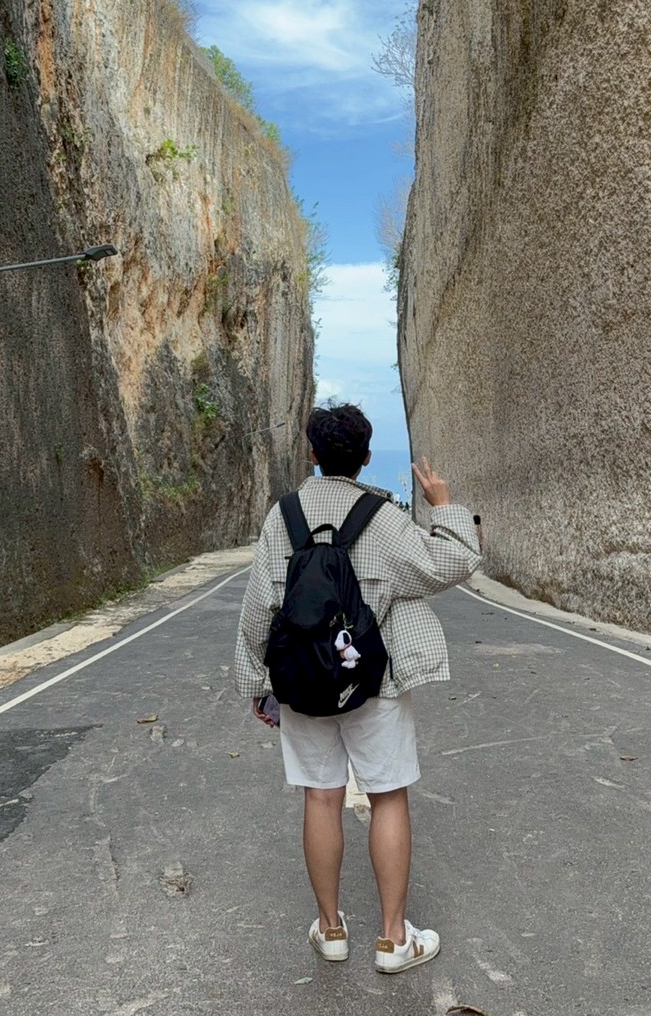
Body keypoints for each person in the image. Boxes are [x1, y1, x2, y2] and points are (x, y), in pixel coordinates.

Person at [234, 403, 482, 973]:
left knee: (320, 796)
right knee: (388, 794)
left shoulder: (284, 517)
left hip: (303, 683)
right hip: (375, 682)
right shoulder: (385, 517)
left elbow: (256, 612)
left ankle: (331, 930)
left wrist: (260, 684)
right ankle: (395, 940)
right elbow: (451, 562)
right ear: (367, 457)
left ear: (313, 455)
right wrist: (444, 506)